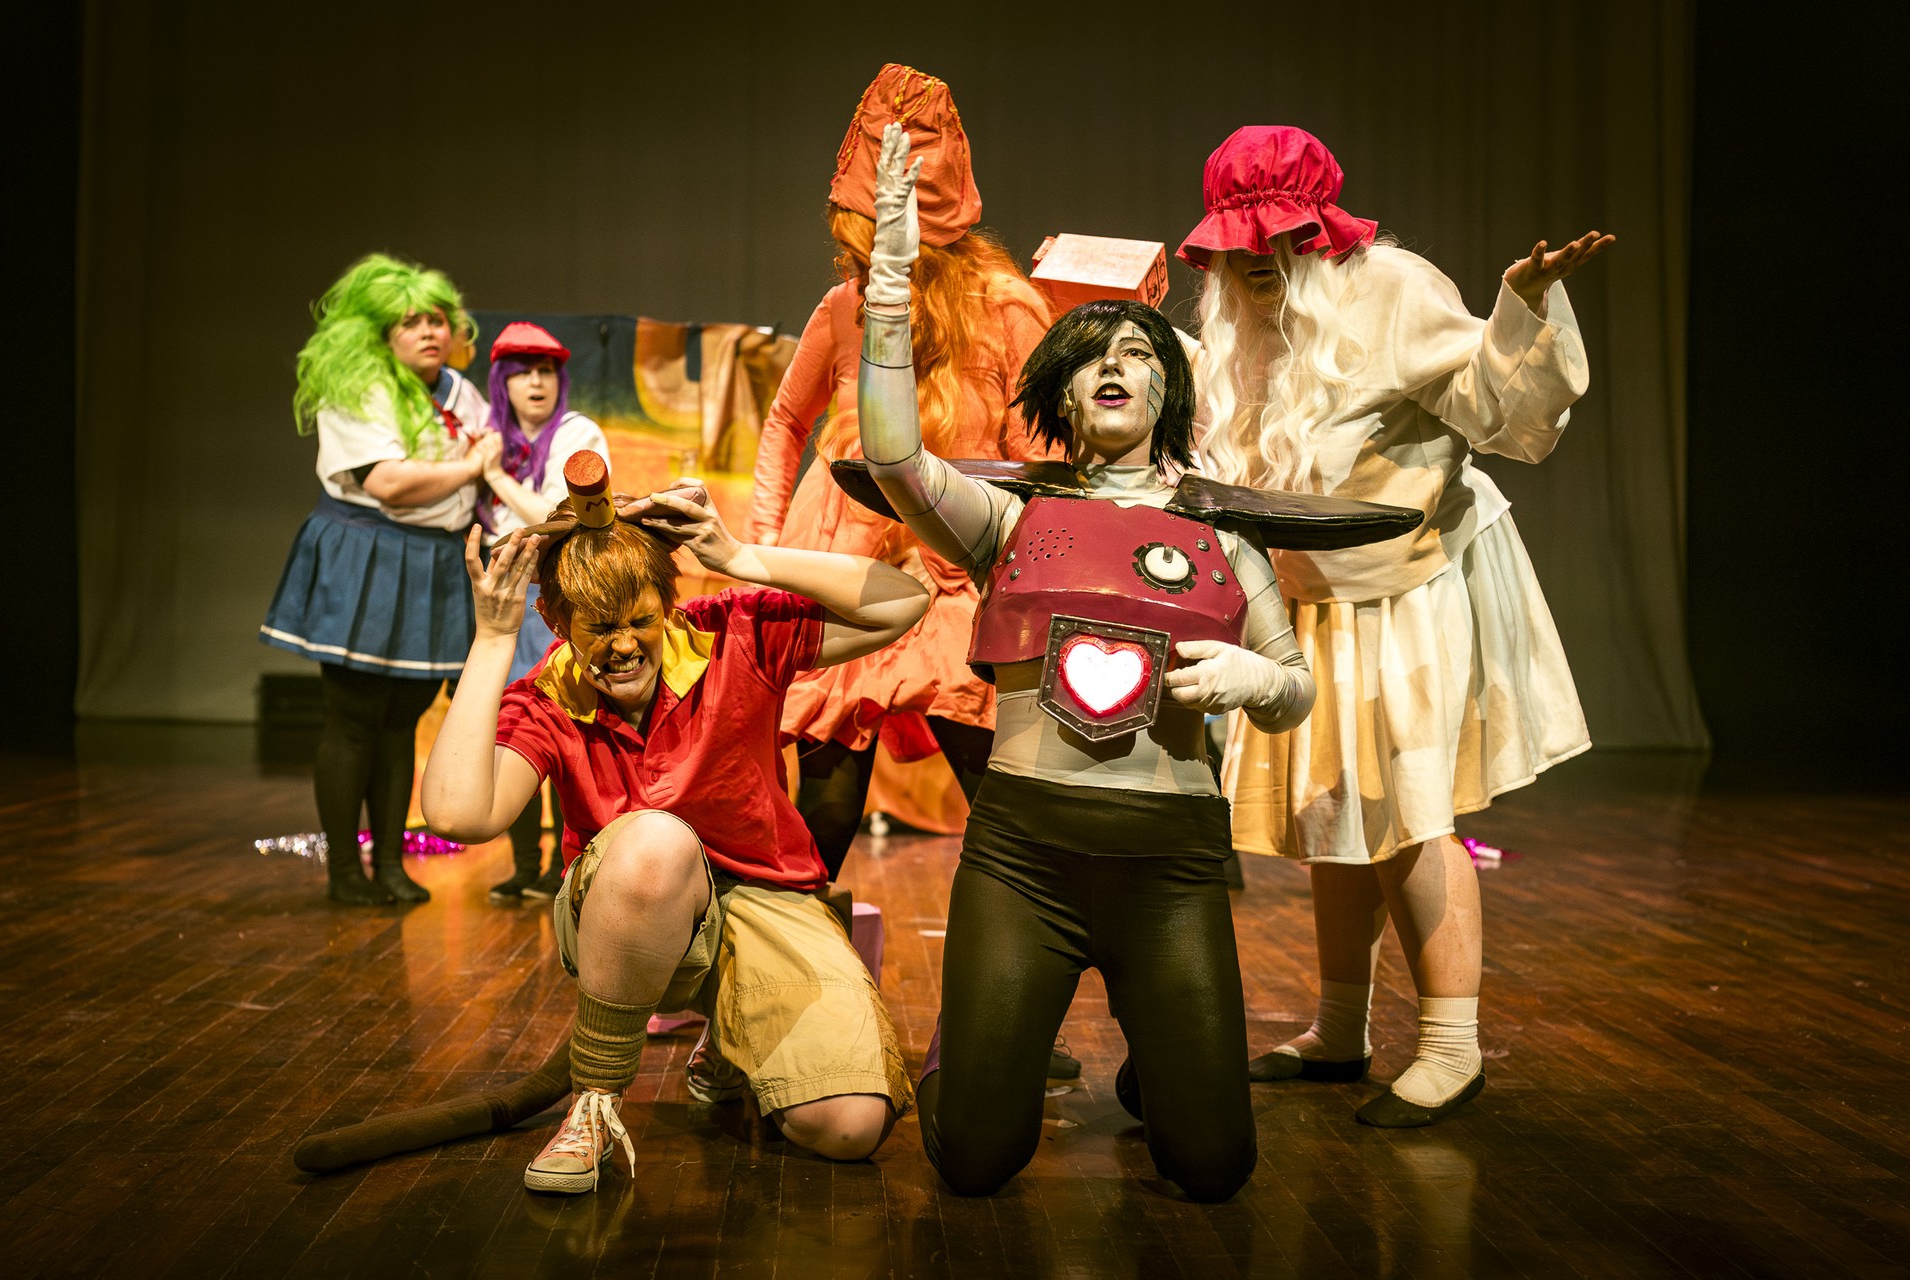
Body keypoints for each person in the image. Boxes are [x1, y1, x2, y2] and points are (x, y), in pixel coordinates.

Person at [846, 125, 1410, 1202]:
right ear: (1061, 396)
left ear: (1169, 392)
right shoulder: (1009, 518)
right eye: (1091, 356)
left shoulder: (1222, 532)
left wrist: (1257, 681)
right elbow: (893, 457)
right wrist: (888, 286)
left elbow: (1293, 687)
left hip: (1169, 867)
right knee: (975, 1158)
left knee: (1214, 1167)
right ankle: (975, 1066)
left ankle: (1166, 1056)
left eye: (1139, 353)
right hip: (1023, 860)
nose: (1113, 365)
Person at [1182, 125, 1611, 1125]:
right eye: (1239, 245)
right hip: (1311, 594)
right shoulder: (1237, 321)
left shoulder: (1393, 289)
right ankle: (1341, 1028)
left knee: (1411, 813)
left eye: (1278, 240)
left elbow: (1500, 414)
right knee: (1338, 813)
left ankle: (1454, 1046)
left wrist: (1522, 307)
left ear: (1318, 231)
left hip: (1407, 585)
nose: (1257, 262)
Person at [419, 450, 929, 1195]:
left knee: (848, 1128)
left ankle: (731, 1039)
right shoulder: (550, 697)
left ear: (667, 606)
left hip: (765, 896)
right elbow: (458, 814)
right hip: (631, 909)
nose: (625, 646)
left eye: (641, 621)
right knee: (657, 838)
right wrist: (493, 640)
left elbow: (903, 603)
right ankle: (594, 1105)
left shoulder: (732, 636)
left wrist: (738, 556)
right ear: (557, 623)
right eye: (600, 628)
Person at [750, 63, 1053, 881]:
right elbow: (786, 421)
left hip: (956, 569)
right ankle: (789, 951)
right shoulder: (844, 306)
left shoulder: (1006, 307)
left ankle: (1011, 953)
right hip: (847, 567)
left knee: (996, 792)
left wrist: (1021, 572)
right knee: (826, 801)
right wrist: (768, 549)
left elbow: (1041, 460)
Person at [261, 253, 495, 906]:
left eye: (437, 320)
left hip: (435, 561)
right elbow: (389, 483)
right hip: (369, 552)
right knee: (354, 719)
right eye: (410, 322)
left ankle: (390, 865)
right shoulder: (359, 387)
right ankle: (344, 871)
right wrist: (471, 467)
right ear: (382, 333)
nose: (428, 332)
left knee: (400, 723)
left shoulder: (462, 393)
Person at [476, 321, 610, 903]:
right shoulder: (489, 437)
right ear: (502, 382)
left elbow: (555, 515)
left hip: (555, 595)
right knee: (508, 730)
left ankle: (564, 867)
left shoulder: (578, 433)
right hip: (500, 596)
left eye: (547, 371)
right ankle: (525, 865)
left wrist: (492, 475)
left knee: (566, 725)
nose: (537, 382)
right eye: (524, 372)